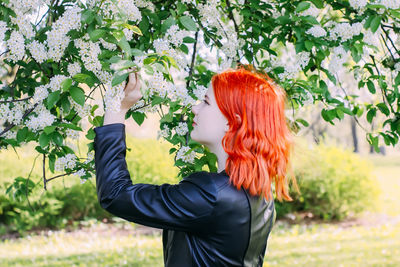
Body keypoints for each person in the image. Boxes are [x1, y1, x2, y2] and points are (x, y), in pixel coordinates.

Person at [94, 65, 299, 266]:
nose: (194, 108)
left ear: (231, 122)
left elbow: (115, 194)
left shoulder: (212, 195)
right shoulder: (262, 195)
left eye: (206, 102)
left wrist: (117, 108)